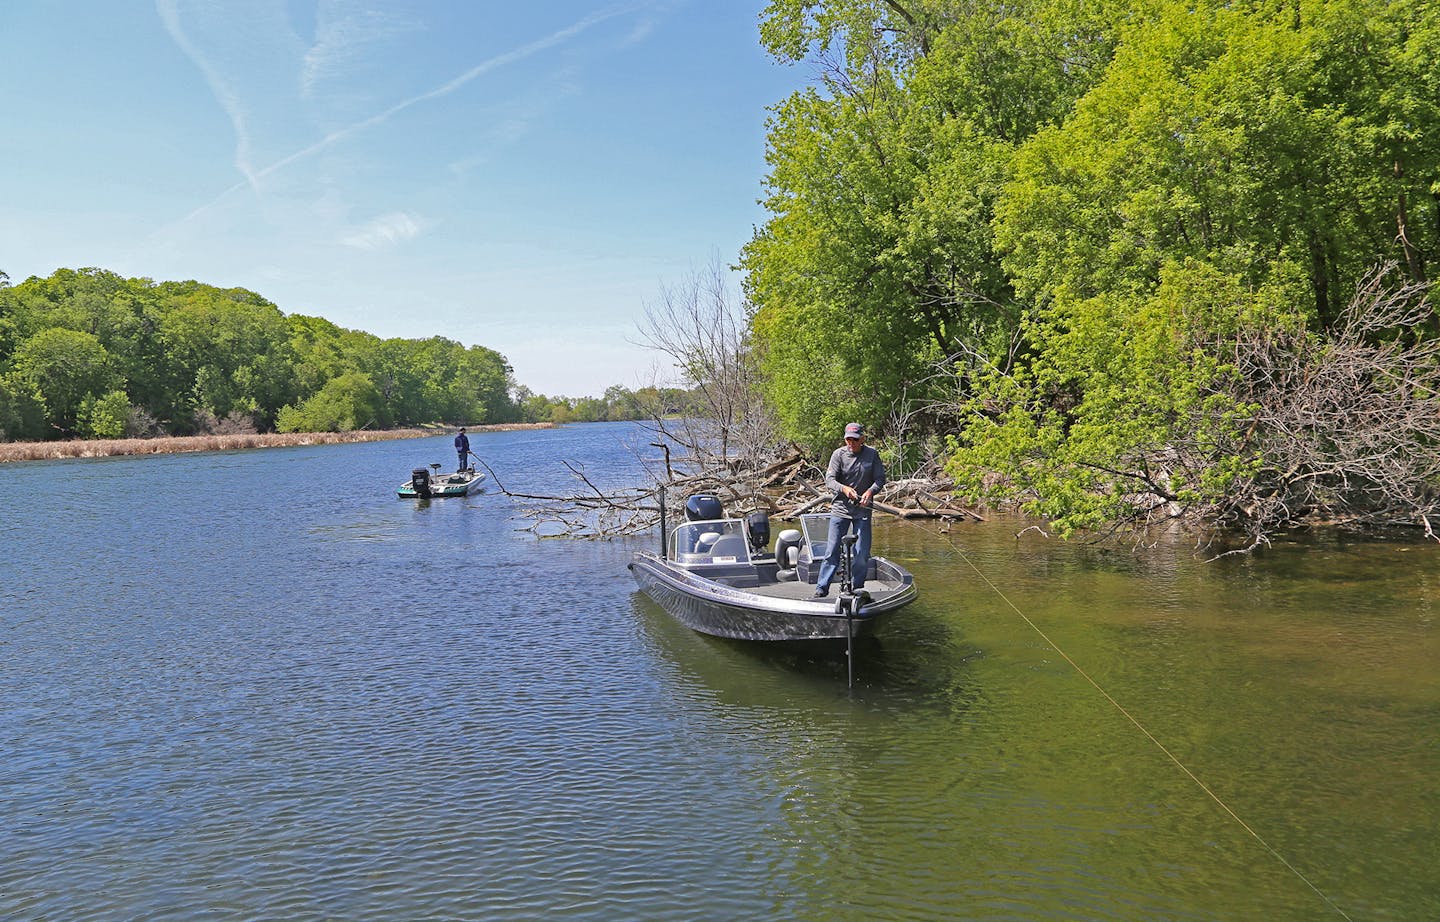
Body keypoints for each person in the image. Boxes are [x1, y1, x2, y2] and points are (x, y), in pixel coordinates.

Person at [814, 422, 886, 598]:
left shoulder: (872, 454)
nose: (851, 443)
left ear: (862, 439)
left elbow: (880, 479)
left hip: (863, 510)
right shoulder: (838, 455)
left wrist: (870, 492)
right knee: (832, 550)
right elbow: (830, 480)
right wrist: (844, 489)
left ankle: (857, 587)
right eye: (848, 439)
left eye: (854, 440)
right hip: (840, 509)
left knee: (861, 552)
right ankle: (822, 588)